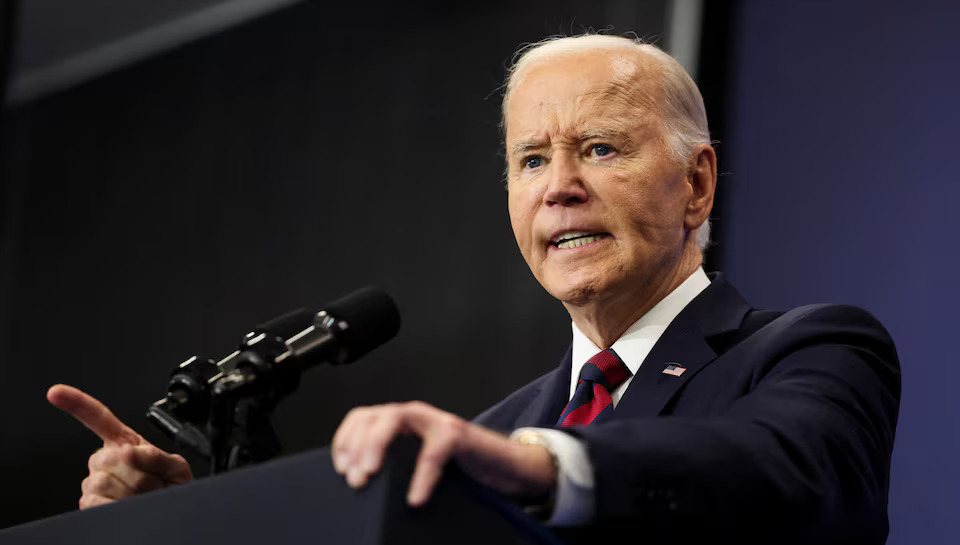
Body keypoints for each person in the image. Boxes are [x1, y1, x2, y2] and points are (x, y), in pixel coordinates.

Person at [47, 34, 900, 543]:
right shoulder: (491, 432)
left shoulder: (810, 350)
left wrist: (543, 466)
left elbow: (789, 476)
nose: (558, 185)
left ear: (697, 185)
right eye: (532, 159)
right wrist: (187, 533)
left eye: (599, 148)